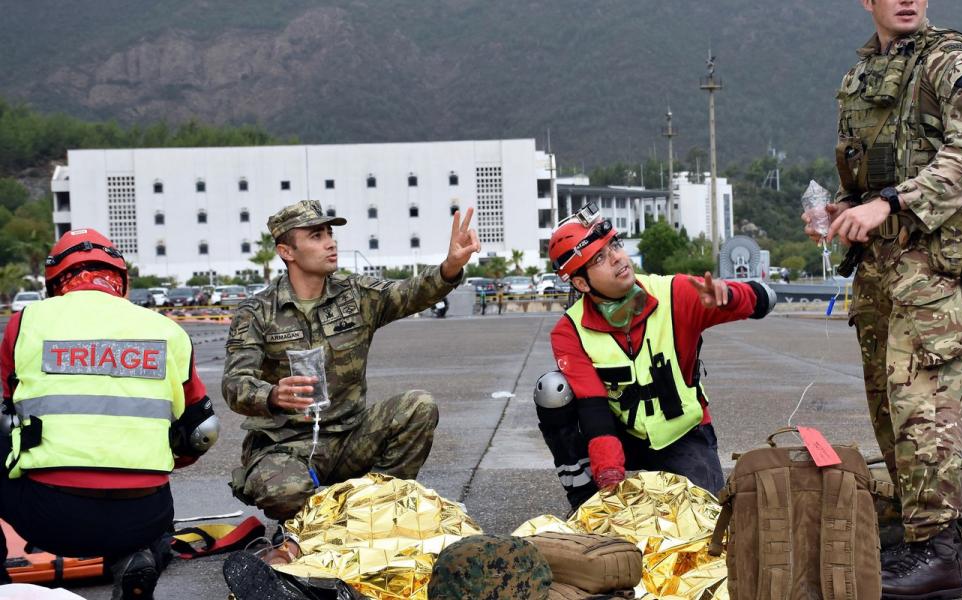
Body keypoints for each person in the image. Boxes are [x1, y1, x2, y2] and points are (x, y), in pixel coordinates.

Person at [804, 1, 962, 598]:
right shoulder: (862, 74)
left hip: (930, 267)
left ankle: (938, 557)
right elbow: (864, 167)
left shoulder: (951, 59)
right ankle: (926, 542)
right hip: (877, 270)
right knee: (889, 410)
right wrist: (842, 209)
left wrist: (887, 203)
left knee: (924, 411)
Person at [222, 200, 478, 536]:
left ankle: (377, 507)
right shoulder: (257, 312)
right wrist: (270, 395)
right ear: (287, 251)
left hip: (351, 437)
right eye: (316, 236)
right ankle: (322, 523)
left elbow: (411, 292)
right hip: (287, 445)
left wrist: (449, 267)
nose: (330, 242)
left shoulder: (356, 295)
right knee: (284, 491)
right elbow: (234, 382)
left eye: (330, 233)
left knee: (418, 407)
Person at [0, 228, 216, 599]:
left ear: (54, 282)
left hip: (50, 517)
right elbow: (202, 432)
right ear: (122, 280)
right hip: (144, 516)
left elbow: (9, 412)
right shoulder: (168, 330)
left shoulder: (26, 322)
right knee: (153, 479)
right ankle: (141, 554)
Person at [535, 203, 776, 509]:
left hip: (683, 434)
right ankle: (583, 498)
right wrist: (609, 488)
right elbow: (594, 412)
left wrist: (730, 298)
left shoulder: (676, 293)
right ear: (581, 283)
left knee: (708, 520)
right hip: (620, 434)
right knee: (552, 390)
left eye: (615, 246)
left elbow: (766, 299)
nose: (618, 258)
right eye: (600, 257)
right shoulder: (569, 331)